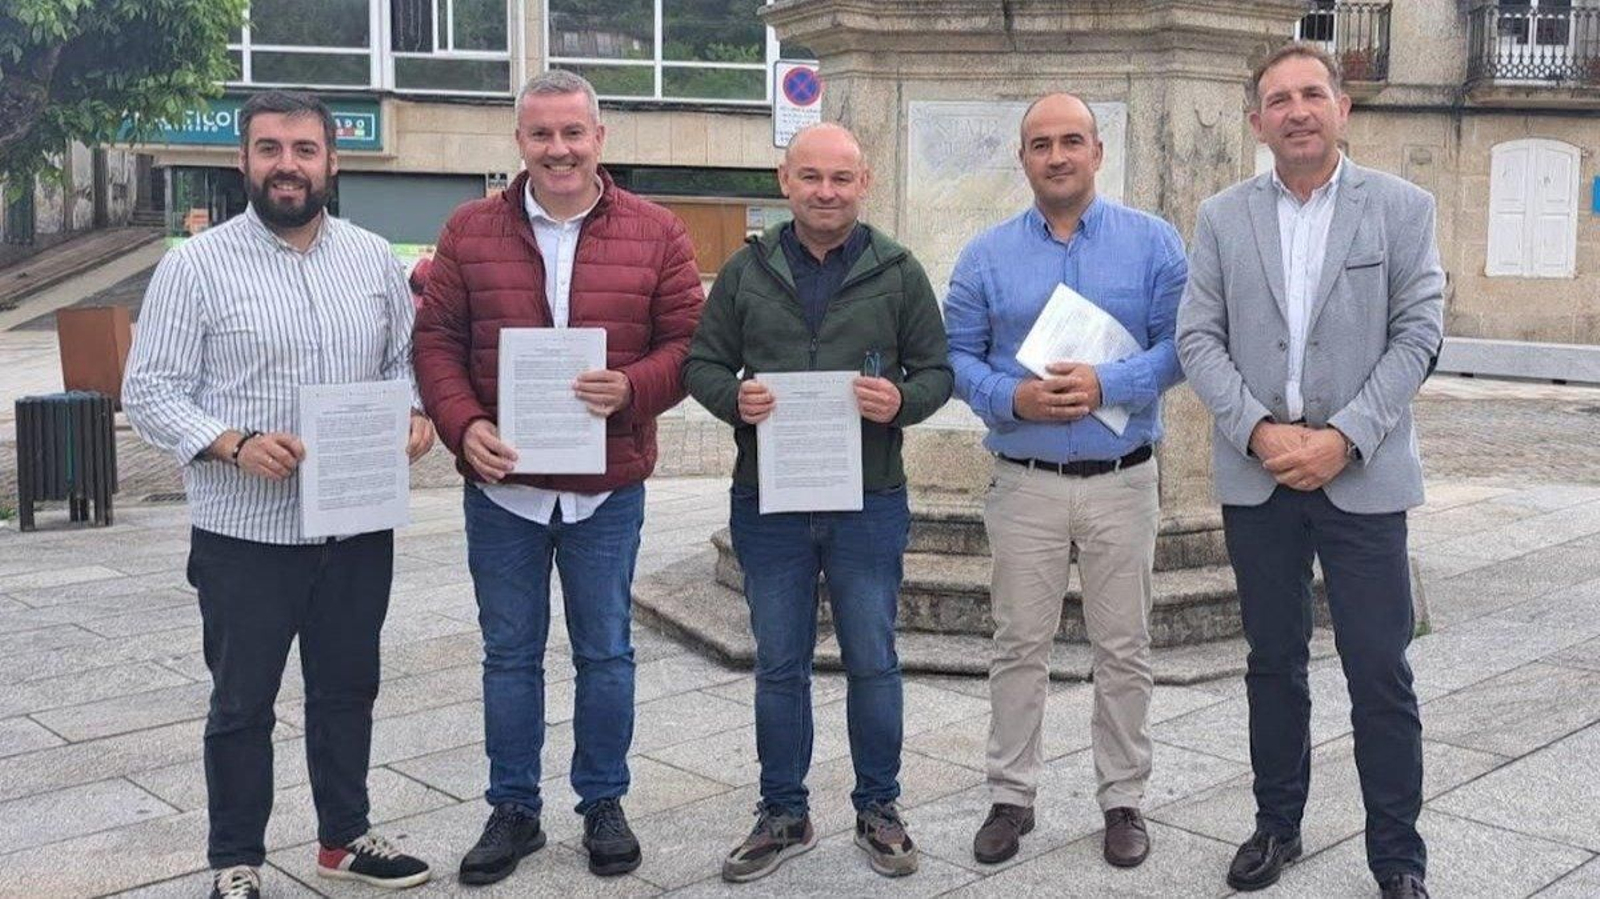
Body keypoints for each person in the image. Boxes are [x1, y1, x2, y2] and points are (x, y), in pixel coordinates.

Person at [123, 90, 436, 899]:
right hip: (245, 533)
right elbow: (151, 391)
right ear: (245, 162)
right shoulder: (194, 266)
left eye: (303, 149)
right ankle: (237, 857)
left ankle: (344, 837)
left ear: (333, 161)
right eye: (270, 149)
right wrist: (231, 444)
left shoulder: (372, 258)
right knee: (242, 703)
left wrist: (413, 412)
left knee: (347, 689)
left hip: (356, 522)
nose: (287, 165)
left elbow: (402, 360)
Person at [411, 70, 703, 885]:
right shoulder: (469, 230)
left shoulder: (657, 230)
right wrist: (463, 426)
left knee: (606, 651)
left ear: (600, 138)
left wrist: (635, 386)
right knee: (509, 655)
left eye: (573, 132)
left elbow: (688, 344)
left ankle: (603, 801)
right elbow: (434, 342)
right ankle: (513, 807)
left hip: (606, 487)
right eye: (541, 134)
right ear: (520, 142)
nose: (559, 148)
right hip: (504, 488)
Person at [1175, 42, 1443, 899]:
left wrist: (1345, 437)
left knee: (1379, 667)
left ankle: (1397, 855)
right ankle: (1276, 823)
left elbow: (1419, 336)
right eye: (1278, 99)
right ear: (1257, 120)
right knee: (1273, 660)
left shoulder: (1403, 209)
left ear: (1342, 107)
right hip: (1259, 477)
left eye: (1311, 94)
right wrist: (1256, 429)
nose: (1296, 110)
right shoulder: (1221, 216)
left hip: (1361, 475)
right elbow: (1197, 337)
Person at [683, 122, 952, 883]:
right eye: (811, 178)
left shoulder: (898, 271)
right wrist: (737, 400)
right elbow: (703, 362)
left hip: (868, 497)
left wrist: (900, 399)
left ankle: (879, 805)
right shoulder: (746, 271)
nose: (826, 192)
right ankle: (783, 810)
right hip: (769, 498)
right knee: (779, 663)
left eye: (840, 179)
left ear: (864, 182)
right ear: (784, 181)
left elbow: (937, 372)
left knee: (873, 657)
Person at [944, 92, 1187, 871]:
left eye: (1071, 140)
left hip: (1123, 478)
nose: (1057, 156)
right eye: (1041, 144)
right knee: (1019, 644)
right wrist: (1008, 396)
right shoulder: (984, 255)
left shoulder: (1154, 244)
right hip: (1027, 479)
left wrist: (1109, 383)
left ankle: (1124, 799)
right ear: (1023, 158)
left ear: (1097, 151)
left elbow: (1183, 344)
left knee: (1126, 647)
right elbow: (956, 355)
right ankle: (1011, 794)